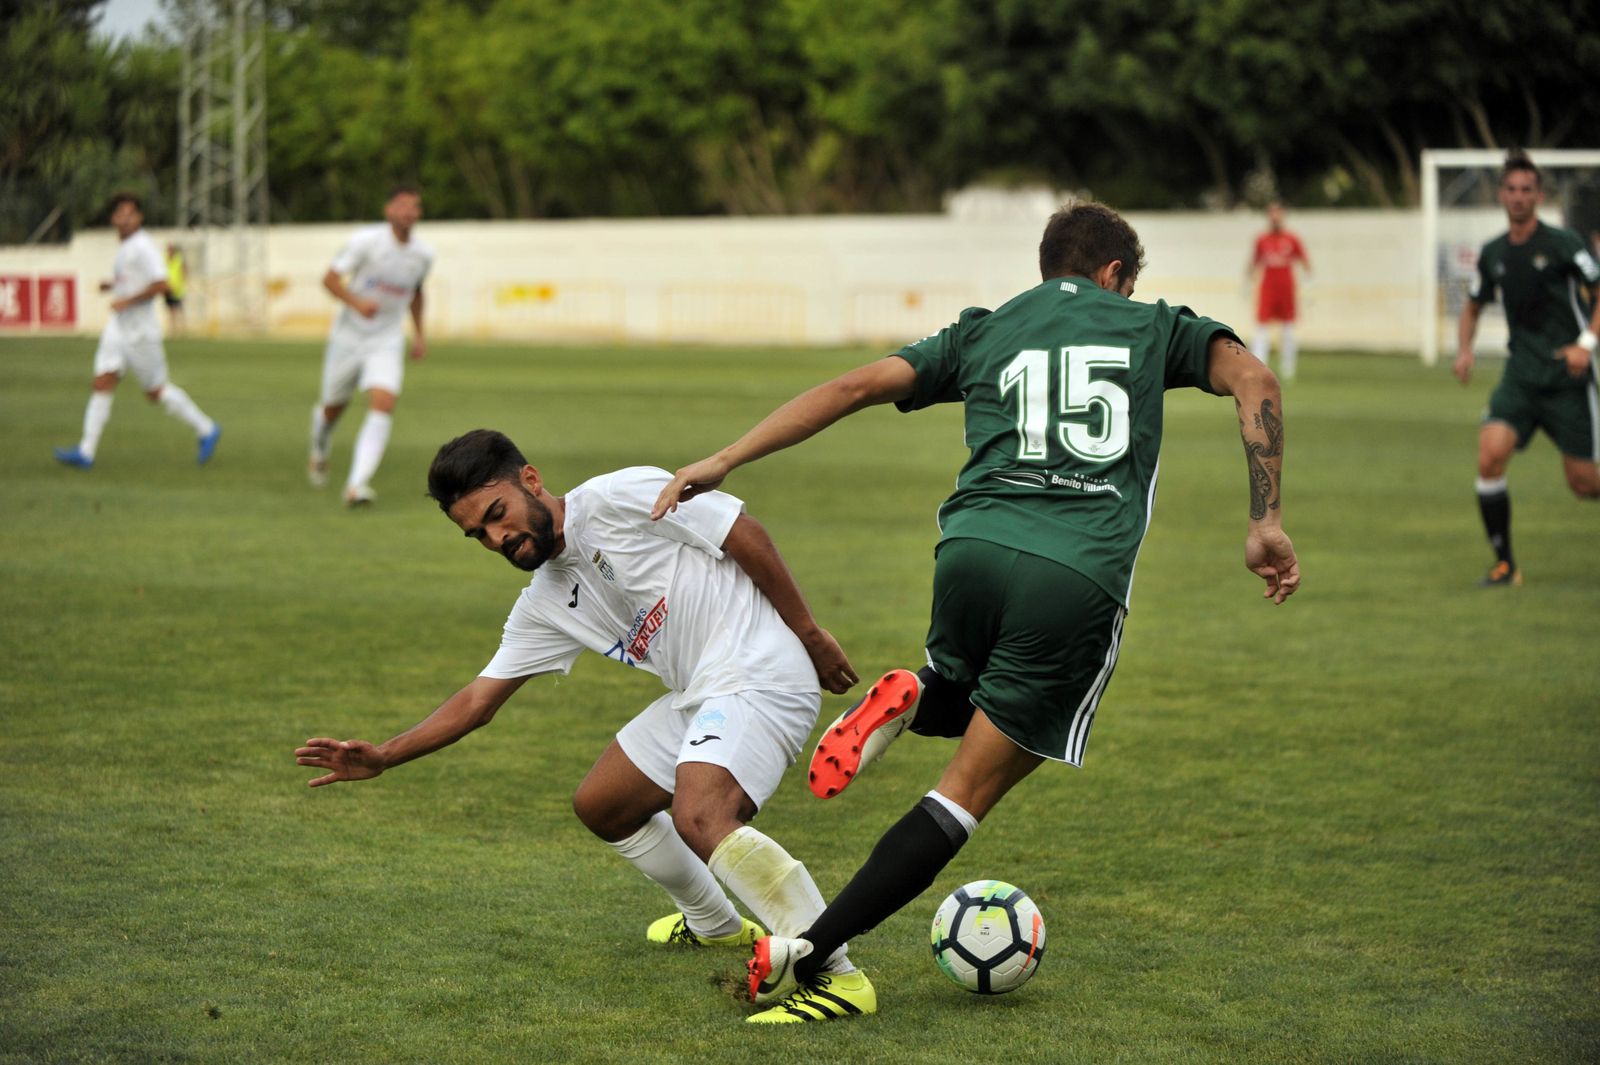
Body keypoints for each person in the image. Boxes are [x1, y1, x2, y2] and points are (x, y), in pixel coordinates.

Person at [651, 201, 1301, 1021]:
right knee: (964, 791)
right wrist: (1265, 520)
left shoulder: (983, 329)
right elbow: (1257, 379)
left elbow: (855, 386)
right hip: (1075, 575)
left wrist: (724, 458)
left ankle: (928, 690)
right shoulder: (1154, 326)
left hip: (970, 553)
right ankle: (809, 951)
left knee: (964, 688)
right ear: (1114, 275)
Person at [295, 429, 877, 1023]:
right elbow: (478, 701)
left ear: (530, 480)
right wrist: (386, 756)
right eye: (478, 535)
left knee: (701, 815)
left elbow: (742, 534)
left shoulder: (619, 496)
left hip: (763, 669)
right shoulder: (544, 600)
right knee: (604, 804)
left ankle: (837, 974)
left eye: (497, 515)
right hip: (701, 693)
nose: (498, 539)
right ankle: (715, 924)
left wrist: (809, 635)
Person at [1454, 150, 1600, 587]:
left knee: (1585, 485)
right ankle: (1505, 566)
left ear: (1539, 195)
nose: (1518, 197)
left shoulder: (1564, 244)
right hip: (1520, 376)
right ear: (1502, 195)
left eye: (1526, 190)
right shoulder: (1494, 253)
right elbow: (1474, 307)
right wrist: (1464, 350)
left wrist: (1586, 344)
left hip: (1566, 377)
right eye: (1511, 189)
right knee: (1489, 456)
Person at [54, 194, 221, 470]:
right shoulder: (126, 248)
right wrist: (113, 286)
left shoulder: (143, 247)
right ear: (113, 218)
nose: (125, 218)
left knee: (156, 392)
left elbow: (162, 285)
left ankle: (206, 428)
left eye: (130, 213)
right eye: (120, 213)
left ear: (139, 217)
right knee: (102, 381)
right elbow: (134, 282)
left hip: (141, 332)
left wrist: (126, 300)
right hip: (119, 327)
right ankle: (86, 451)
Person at [309, 184, 433, 506]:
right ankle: (320, 448)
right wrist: (356, 302)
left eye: (414, 206)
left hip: (387, 339)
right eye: (402, 205)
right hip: (348, 337)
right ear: (389, 210)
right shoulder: (366, 241)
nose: (409, 211)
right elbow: (329, 279)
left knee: (383, 402)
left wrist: (419, 334)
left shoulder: (422, 255)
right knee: (332, 408)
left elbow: (417, 293)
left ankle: (356, 485)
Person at [1248, 201, 1311, 380]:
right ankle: (1258, 367)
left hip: (1286, 289)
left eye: (1278, 213)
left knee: (1288, 330)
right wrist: (1247, 283)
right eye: (1272, 213)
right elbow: (1254, 263)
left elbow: (1305, 262)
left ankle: (1288, 369)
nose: (1275, 217)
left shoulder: (1292, 239)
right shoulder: (1261, 239)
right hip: (1268, 289)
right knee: (1261, 329)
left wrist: (1309, 284)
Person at [163, 243, 187, 335]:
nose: (169, 251)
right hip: (168, 289)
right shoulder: (165, 259)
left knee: (179, 310)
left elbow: (184, 271)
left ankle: (182, 331)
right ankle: (173, 331)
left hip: (178, 289)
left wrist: (183, 283)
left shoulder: (178, 259)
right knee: (170, 311)